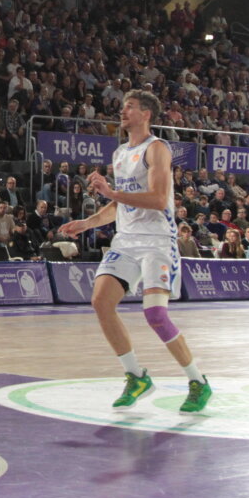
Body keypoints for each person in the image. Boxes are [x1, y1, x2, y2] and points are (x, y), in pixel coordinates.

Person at [60, 90, 212, 414]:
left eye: (129, 106)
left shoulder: (157, 149)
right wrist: (88, 222)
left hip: (157, 241)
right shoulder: (118, 154)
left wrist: (111, 190)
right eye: (123, 106)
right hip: (126, 241)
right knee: (101, 301)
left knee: (155, 315)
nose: (122, 111)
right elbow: (121, 203)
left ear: (146, 114)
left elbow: (157, 199)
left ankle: (198, 380)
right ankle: (136, 375)